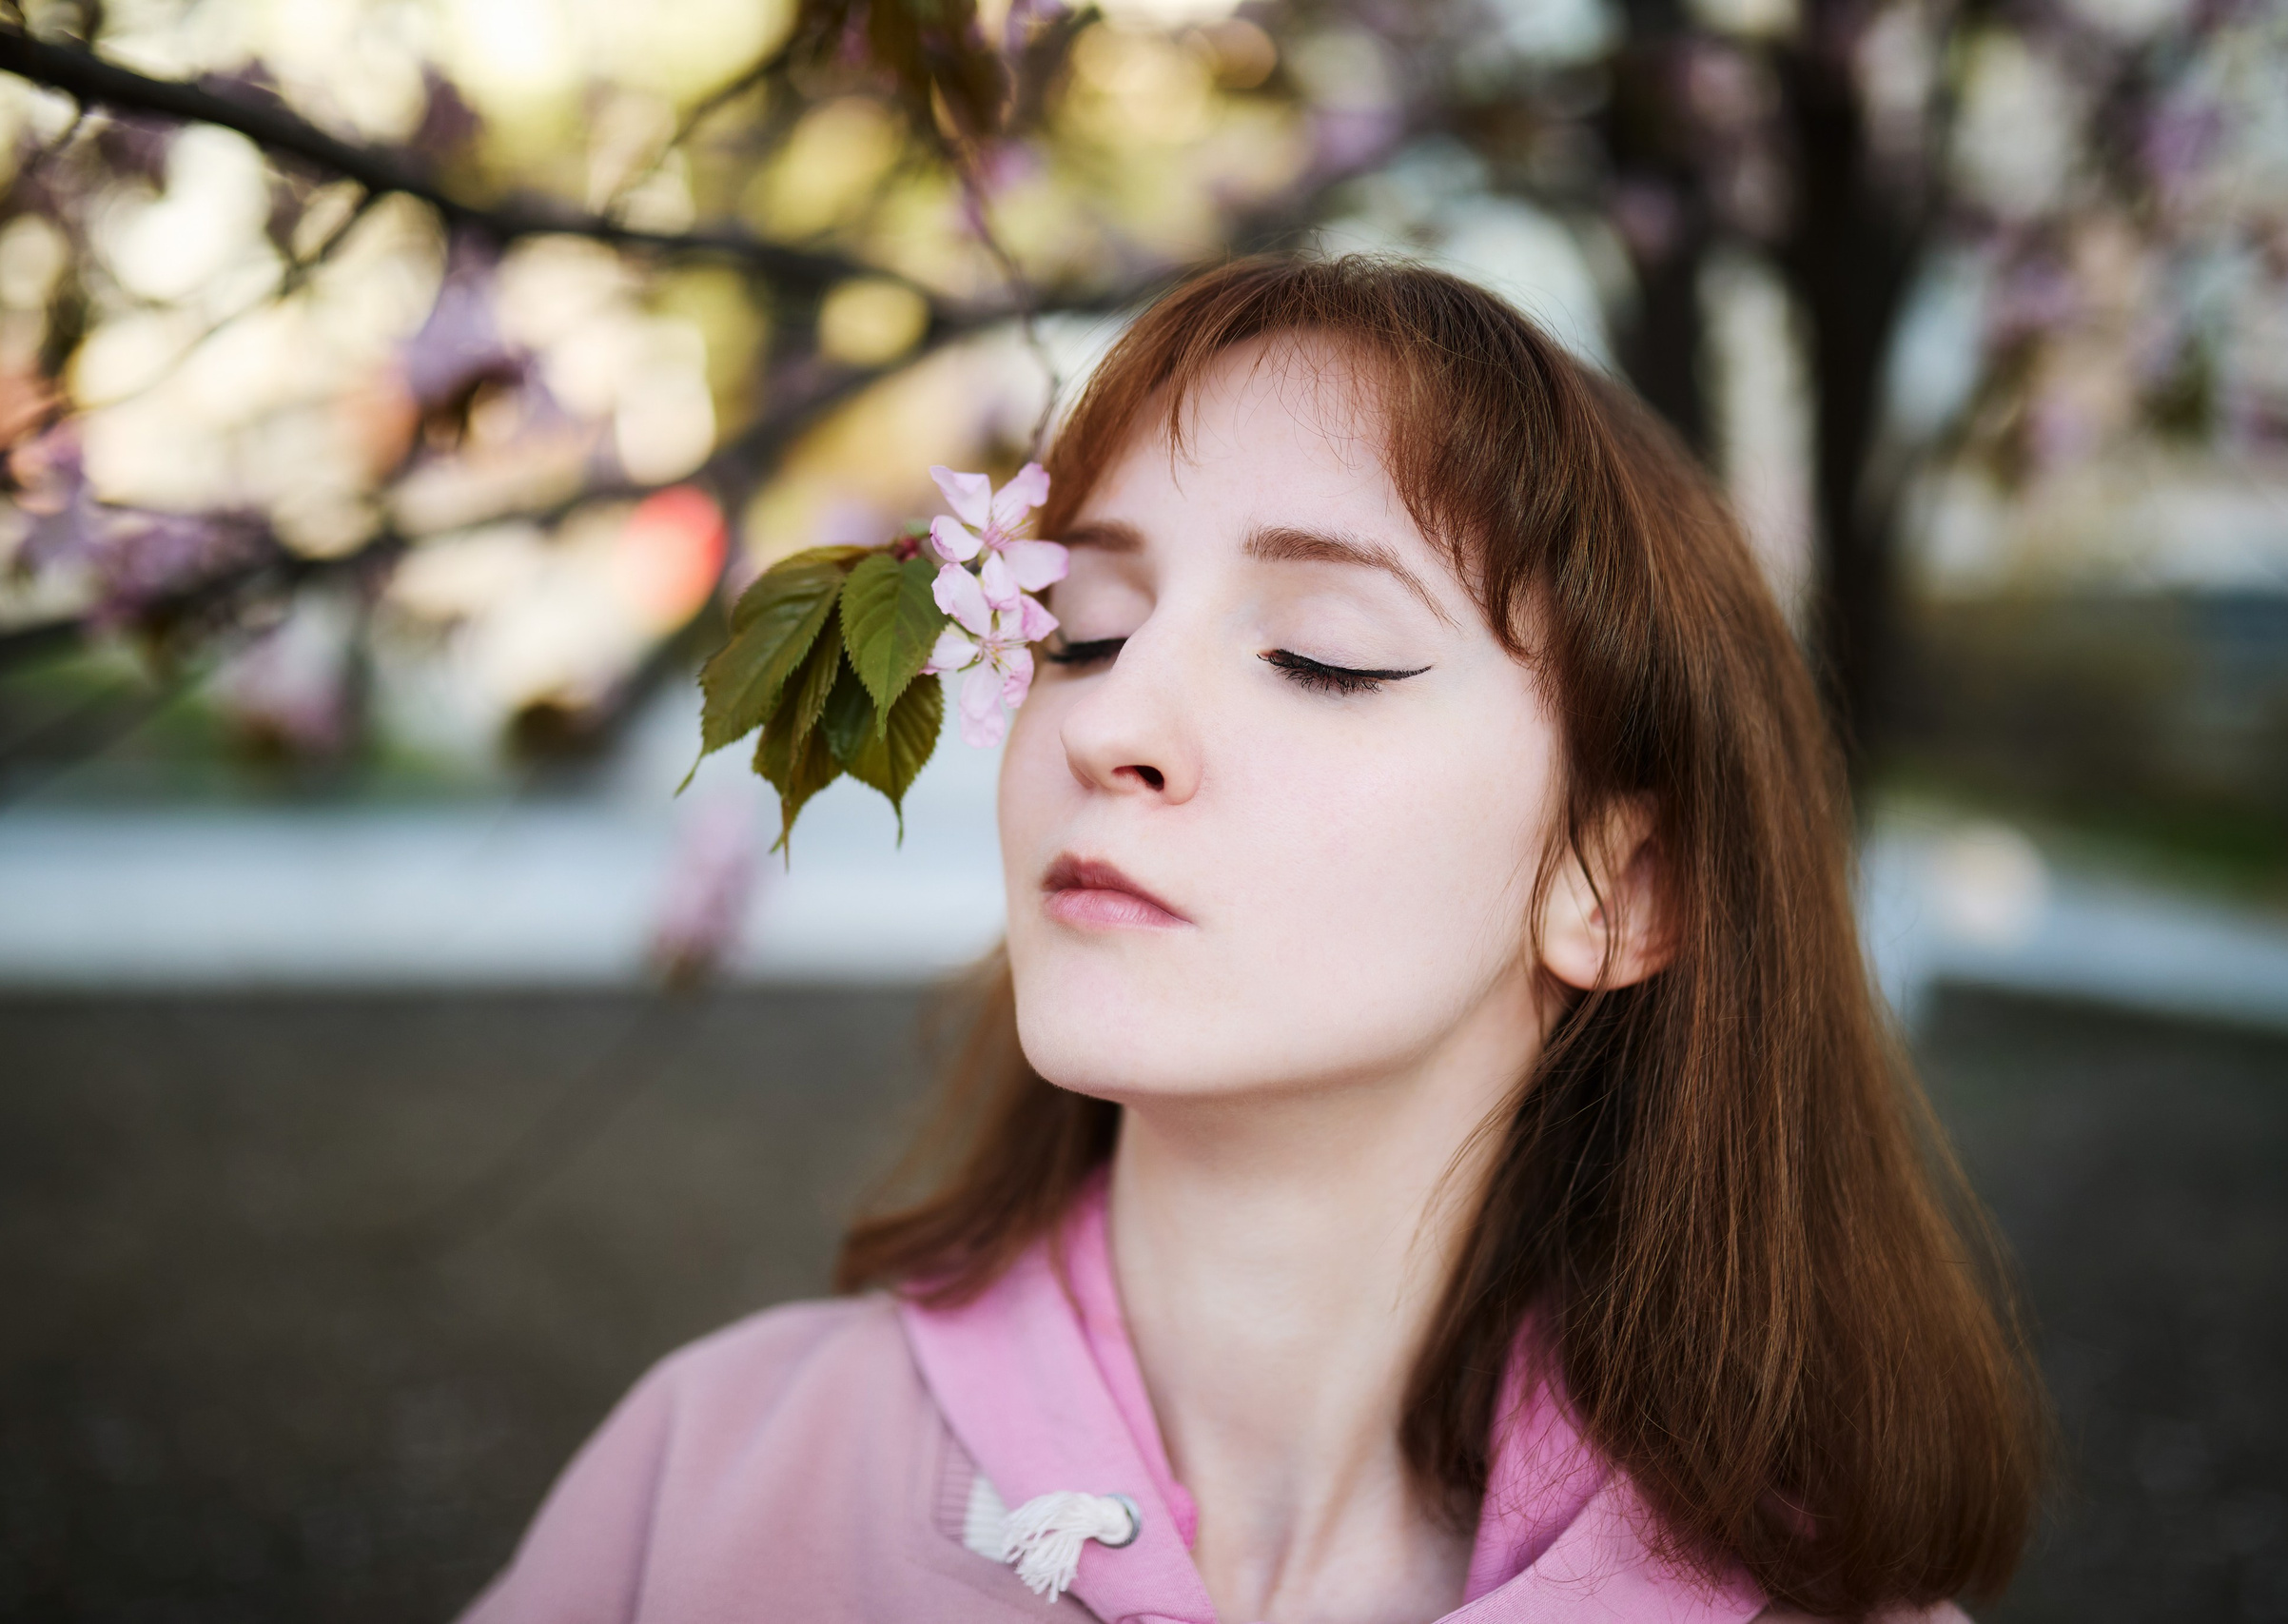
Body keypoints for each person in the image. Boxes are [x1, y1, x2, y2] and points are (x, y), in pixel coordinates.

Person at [459, 255, 2044, 1624]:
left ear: (1621, 890)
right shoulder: (721, 1482)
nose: (1115, 721)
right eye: (1083, 629)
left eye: (1322, 654)